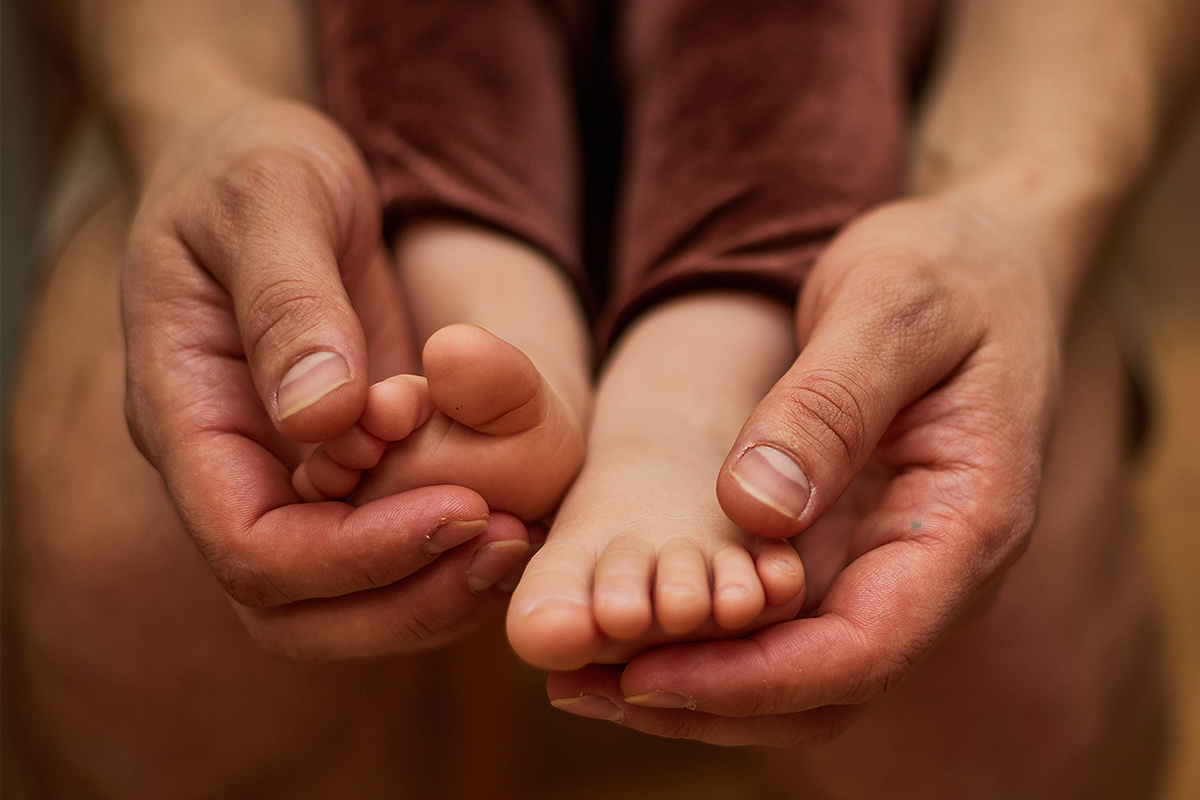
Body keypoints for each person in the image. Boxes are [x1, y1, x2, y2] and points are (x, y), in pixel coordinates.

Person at [5, 1, 1196, 799]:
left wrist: (1019, 209)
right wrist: (202, 108)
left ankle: (687, 379)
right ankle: (498, 329)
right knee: (121, 553)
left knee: (1013, 674)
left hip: (955, 94)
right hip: (284, 57)